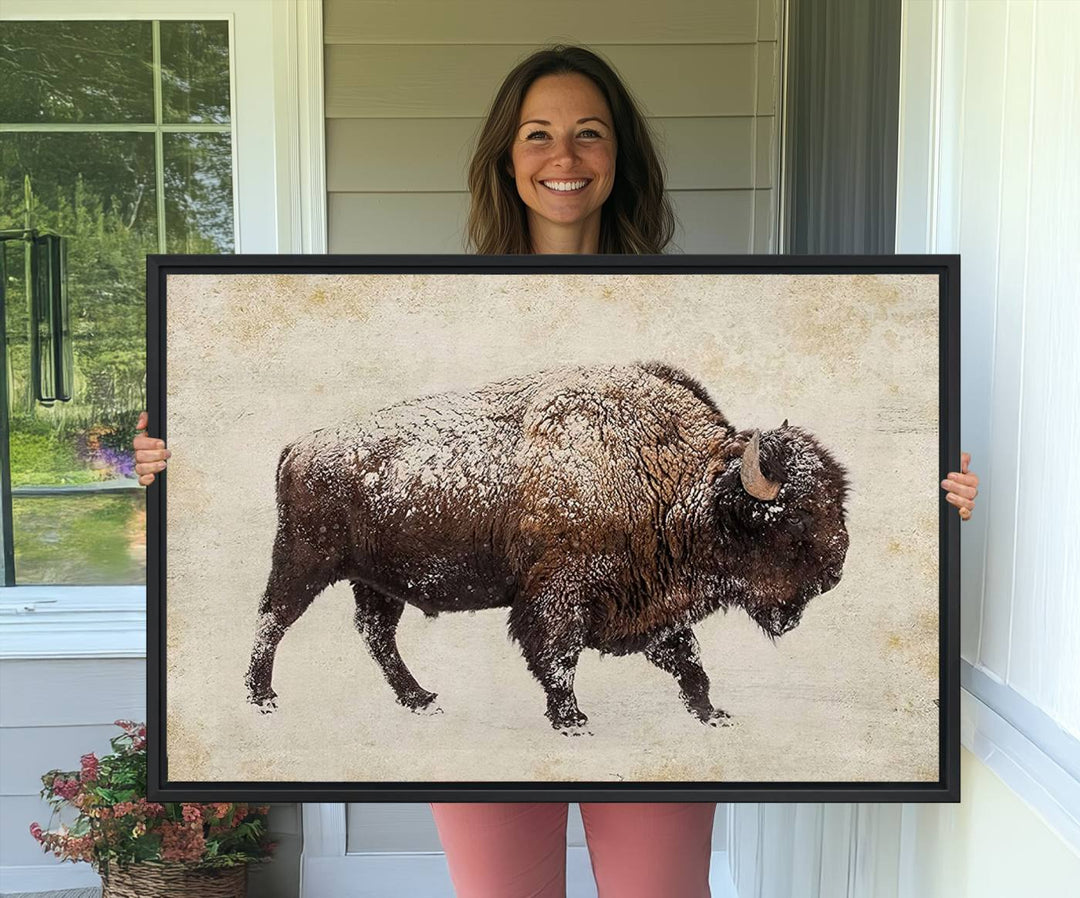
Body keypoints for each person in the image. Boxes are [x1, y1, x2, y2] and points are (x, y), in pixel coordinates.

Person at [133, 45, 980, 898]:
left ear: (620, 158)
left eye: (589, 134)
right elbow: (566, 570)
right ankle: (490, 683)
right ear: (508, 158)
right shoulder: (432, 299)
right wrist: (182, 462)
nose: (564, 157)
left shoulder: (704, 309)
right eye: (538, 135)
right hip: (483, 713)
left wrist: (927, 487)